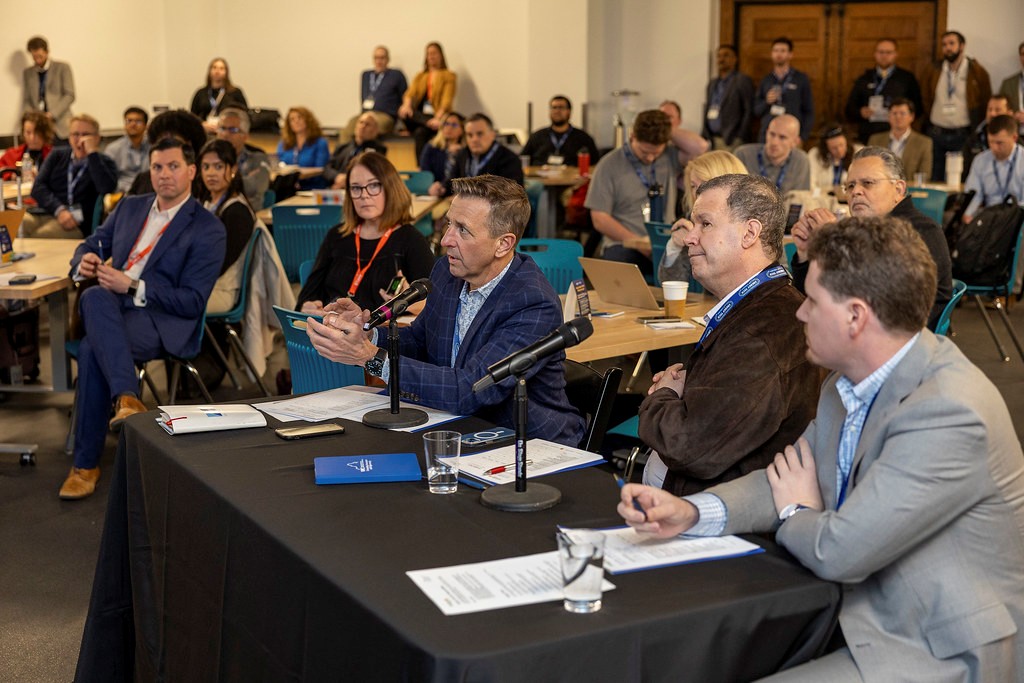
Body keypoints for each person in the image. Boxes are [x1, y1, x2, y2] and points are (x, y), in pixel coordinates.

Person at [619, 215, 1024, 682]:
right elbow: (783, 479)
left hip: (931, 645)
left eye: (812, 300)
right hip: (844, 608)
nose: (800, 313)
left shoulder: (947, 412)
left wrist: (795, 512)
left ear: (855, 316)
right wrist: (692, 513)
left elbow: (840, 549)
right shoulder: (842, 382)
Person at [305, 175, 584, 447]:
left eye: (463, 229)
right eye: (449, 223)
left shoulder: (532, 301)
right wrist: (367, 336)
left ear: (503, 244)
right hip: (460, 428)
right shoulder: (447, 272)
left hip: (527, 444)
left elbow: (472, 388)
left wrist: (370, 358)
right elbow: (420, 339)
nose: (446, 240)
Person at [60, 138, 226, 500]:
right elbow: (92, 242)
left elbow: (193, 301)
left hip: (160, 319)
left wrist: (133, 284)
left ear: (191, 171)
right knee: (92, 293)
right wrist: (83, 261)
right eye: (157, 167)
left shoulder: (208, 228)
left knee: (91, 346)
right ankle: (127, 397)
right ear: (148, 170)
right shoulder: (131, 207)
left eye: (173, 166)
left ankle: (86, 464)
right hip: (113, 308)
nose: (164, 175)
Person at [640, 174, 820, 495]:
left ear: (750, 233)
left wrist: (662, 397)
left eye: (705, 224)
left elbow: (688, 448)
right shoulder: (762, 303)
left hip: (711, 510)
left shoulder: (762, 332)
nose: (690, 237)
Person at [790, 147, 953, 330]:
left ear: (898, 189)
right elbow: (811, 301)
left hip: (898, 340)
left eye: (867, 183)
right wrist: (807, 254)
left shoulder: (921, 230)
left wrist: (832, 241)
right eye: (850, 186)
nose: (856, 192)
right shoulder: (864, 230)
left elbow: (868, 293)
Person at [296, 151, 435, 315]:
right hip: (333, 332)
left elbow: (438, 306)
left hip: (379, 337)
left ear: (390, 188)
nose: (364, 195)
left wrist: (408, 303)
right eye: (356, 188)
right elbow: (306, 299)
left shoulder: (410, 240)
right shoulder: (337, 236)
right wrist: (308, 307)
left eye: (374, 185)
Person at [584, 109, 699, 275]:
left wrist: (665, 127)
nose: (650, 158)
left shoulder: (669, 158)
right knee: (620, 264)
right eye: (645, 152)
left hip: (665, 242)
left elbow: (699, 147)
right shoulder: (609, 164)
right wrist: (637, 242)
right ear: (632, 137)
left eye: (656, 152)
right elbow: (599, 219)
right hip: (624, 244)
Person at [659, 150, 748, 284]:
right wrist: (674, 247)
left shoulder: (757, 221)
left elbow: (777, 279)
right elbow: (669, 284)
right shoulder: (692, 225)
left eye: (706, 184)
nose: (697, 193)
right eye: (693, 186)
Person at [26, 114, 117, 239]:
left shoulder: (104, 162)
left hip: (77, 222)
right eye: (75, 134)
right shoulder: (57, 155)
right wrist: (59, 210)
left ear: (97, 138)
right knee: (14, 227)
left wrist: (92, 155)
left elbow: (106, 188)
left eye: (85, 134)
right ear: (69, 137)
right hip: (49, 212)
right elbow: (38, 187)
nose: (79, 139)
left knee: (40, 236)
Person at [922, 31, 992, 181]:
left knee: (960, 178)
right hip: (936, 134)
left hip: (963, 135)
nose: (948, 48)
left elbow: (985, 101)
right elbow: (925, 98)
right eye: (944, 45)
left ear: (962, 46)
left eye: (951, 43)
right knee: (935, 177)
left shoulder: (977, 71)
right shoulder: (933, 70)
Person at [197, 139, 256, 313]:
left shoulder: (237, 211)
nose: (211, 173)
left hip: (220, 291)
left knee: (160, 304)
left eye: (218, 166)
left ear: (233, 169)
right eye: (206, 167)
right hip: (202, 285)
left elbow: (219, 264)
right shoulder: (206, 202)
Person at [844, 38, 923, 144]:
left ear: (896, 54)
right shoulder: (864, 78)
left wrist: (900, 115)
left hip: (897, 135)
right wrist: (861, 112)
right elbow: (850, 108)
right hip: (869, 133)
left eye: (888, 52)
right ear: (875, 54)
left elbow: (918, 108)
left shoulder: (907, 78)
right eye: (881, 52)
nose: (884, 56)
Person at [127, 109, 208, 198]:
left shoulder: (204, 181)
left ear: (189, 145)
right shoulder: (143, 180)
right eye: (161, 143)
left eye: (173, 143)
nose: (166, 149)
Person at [399, 42, 457, 159]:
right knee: (403, 112)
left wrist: (438, 118)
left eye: (434, 53)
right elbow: (409, 94)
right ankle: (428, 123)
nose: (431, 56)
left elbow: (446, 101)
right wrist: (406, 105)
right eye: (429, 54)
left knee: (420, 132)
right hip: (421, 117)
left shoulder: (449, 75)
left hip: (438, 116)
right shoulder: (420, 76)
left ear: (441, 55)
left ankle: (421, 168)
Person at [962, 114, 1024, 223]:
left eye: (1000, 143)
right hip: (988, 219)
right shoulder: (980, 160)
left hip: (1016, 219)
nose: (994, 148)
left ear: (1014, 138)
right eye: (990, 142)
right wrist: (968, 214)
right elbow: (974, 194)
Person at [442, 113, 523, 195]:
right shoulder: (463, 155)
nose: (474, 139)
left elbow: (512, 197)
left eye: (479, 134)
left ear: (492, 134)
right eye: (470, 135)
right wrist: (442, 188)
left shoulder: (510, 160)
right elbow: (451, 182)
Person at [339, 46, 408, 143]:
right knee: (348, 129)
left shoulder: (396, 75)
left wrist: (404, 125)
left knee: (368, 129)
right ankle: (344, 157)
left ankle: (365, 156)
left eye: (382, 58)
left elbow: (405, 98)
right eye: (376, 58)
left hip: (385, 115)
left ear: (388, 59)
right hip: (366, 114)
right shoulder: (366, 75)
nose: (379, 61)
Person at [754, 37, 814, 141]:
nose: (779, 54)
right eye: (775, 50)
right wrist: (767, 102)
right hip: (767, 135)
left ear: (790, 54)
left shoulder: (800, 79)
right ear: (771, 54)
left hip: (791, 136)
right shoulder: (766, 80)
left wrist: (802, 136)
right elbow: (756, 110)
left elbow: (809, 111)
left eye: (783, 51)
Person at [734, 114, 811, 195]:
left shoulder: (801, 160)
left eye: (782, 137)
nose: (774, 142)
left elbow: (800, 199)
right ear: (766, 132)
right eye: (772, 134)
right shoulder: (743, 155)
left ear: (795, 142)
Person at [216, 107, 271, 210]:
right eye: (222, 128)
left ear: (245, 136)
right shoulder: (208, 159)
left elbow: (255, 187)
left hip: (246, 218)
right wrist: (235, 179)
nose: (225, 134)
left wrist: (219, 182)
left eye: (233, 130)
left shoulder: (257, 159)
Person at [21, 36, 75, 141]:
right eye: (34, 57)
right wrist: (31, 118)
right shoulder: (28, 73)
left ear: (47, 52)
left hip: (61, 125)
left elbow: (69, 95)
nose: (37, 60)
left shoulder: (62, 68)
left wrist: (52, 114)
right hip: (39, 128)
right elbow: (27, 99)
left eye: (40, 56)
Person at [702, 44, 755, 151]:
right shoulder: (712, 83)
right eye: (719, 56)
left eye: (726, 55)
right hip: (712, 139)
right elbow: (708, 106)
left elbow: (748, 110)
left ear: (735, 59)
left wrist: (740, 136)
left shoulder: (742, 80)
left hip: (731, 140)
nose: (721, 59)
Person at [521, 95, 599, 167]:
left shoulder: (584, 138)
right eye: (554, 107)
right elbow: (523, 160)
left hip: (571, 181)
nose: (557, 111)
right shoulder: (536, 136)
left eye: (561, 107)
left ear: (569, 111)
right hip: (541, 180)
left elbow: (595, 164)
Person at [867, 98, 933, 182]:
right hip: (880, 190)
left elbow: (925, 175)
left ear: (911, 117)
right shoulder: (875, 140)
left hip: (910, 191)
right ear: (888, 116)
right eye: (894, 113)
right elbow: (869, 170)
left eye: (902, 113)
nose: (898, 117)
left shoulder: (924, 142)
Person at [324, 112, 388, 189]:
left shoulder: (379, 150)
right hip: (336, 188)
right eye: (361, 122)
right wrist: (336, 177)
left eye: (367, 124)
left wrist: (347, 180)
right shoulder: (342, 148)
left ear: (375, 130)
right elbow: (327, 168)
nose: (363, 126)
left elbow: (372, 172)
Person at [189, 58, 248, 134]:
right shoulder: (200, 93)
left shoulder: (235, 92)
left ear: (226, 72)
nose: (217, 71)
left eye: (221, 68)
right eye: (214, 68)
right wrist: (202, 125)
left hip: (228, 133)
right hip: (205, 133)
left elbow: (244, 115)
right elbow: (192, 116)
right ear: (209, 71)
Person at [276, 107, 330, 190]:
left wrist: (297, 174)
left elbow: (321, 169)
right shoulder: (284, 144)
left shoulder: (320, 143)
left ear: (308, 120)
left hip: (312, 188)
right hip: (288, 188)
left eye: (299, 117)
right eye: (292, 119)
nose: (296, 121)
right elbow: (279, 165)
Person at [962, 94, 1015, 175]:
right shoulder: (974, 139)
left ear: (1009, 113)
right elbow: (965, 174)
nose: (992, 114)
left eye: (997, 110)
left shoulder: (1017, 143)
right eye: (990, 109)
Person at [103, 107, 150, 193]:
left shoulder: (153, 147)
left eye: (138, 121)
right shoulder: (113, 149)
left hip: (148, 193)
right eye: (129, 121)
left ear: (146, 126)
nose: (133, 124)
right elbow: (107, 179)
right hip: (122, 195)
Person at [421, 112, 466, 198]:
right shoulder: (431, 147)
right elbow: (425, 171)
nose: (449, 127)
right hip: (435, 191)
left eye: (454, 125)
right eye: (446, 123)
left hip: (459, 194)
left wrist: (456, 155)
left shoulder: (465, 151)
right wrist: (436, 186)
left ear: (462, 130)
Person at [0, 111, 54, 182]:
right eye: (28, 132)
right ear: (23, 133)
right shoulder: (12, 154)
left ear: (44, 133)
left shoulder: (53, 154)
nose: (32, 137)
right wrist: (13, 175)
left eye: (36, 133)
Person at [807, 125, 859, 194]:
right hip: (821, 198)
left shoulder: (858, 153)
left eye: (841, 145)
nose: (839, 150)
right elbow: (811, 185)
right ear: (826, 148)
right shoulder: (814, 154)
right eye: (834, 148)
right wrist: (824, 192)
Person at [997, 41, 1024, 135]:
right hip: (1013, 135)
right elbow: (998, 110)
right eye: (1023, 54)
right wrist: (1012, 115)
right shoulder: (1008, 83)